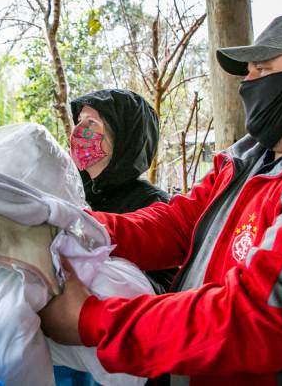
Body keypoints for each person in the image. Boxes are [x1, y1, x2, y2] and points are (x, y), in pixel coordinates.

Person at [37, 12, 282, 385]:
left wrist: (90, 320)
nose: (247, 84)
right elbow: (178, 224)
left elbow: (255, 319)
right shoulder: (251, 159)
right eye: (247, 72)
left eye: (263, 70)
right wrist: (65, 222)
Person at [59, 90, 172, 385]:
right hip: (63, 343)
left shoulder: (153, 204)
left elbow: (165, 286)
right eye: (79, 120)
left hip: (116, 348)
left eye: (93, 123)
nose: (80, 132)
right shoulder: (68, 192)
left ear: (125, 137)